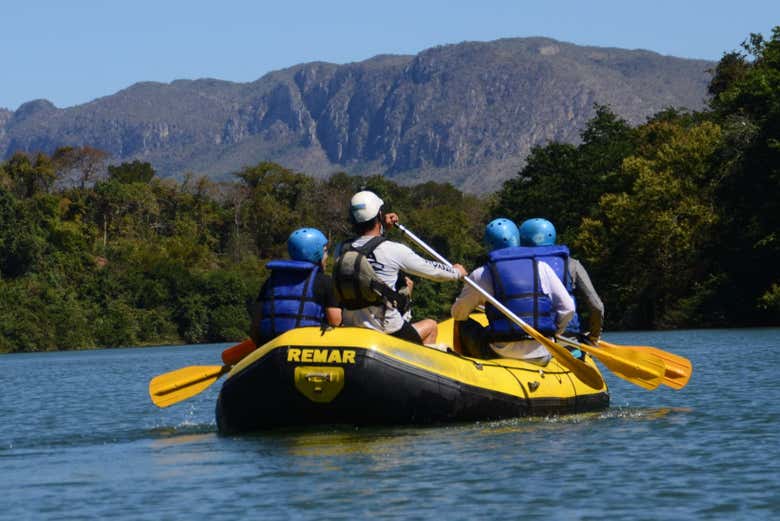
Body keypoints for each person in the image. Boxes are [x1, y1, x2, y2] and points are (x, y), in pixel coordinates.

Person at [335, 190, 467, 345]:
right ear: (378, 216)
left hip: (352, 323)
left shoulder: (342, 249)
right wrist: (456, 272)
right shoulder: (393, 250)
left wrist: (381, 224)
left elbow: (366, 243)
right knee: (431, 326)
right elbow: (431, 270)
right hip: (386, 327)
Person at [450, 218, 575, 364]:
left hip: (501, 353)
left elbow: (458, 313)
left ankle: (462, 367)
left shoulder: (482, 274)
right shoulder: (541, 267)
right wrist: (556, 332)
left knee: (460, 322)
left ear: (488, 244)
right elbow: (568, 308)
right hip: (543, 352)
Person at [517, 218, 604, 345]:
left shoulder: (517, 268)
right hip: (567, 339)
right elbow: (596, 306)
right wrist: (593, 338)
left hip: (529, 339)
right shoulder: (572, 265)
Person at [249, 227, 341, 347]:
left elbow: (256, 325)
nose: (327, 256)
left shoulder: (270, 282)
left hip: (271, 349)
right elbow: (335, 321)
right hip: (306, 348)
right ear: (317, 253)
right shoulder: (325, 282)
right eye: (325, 251)